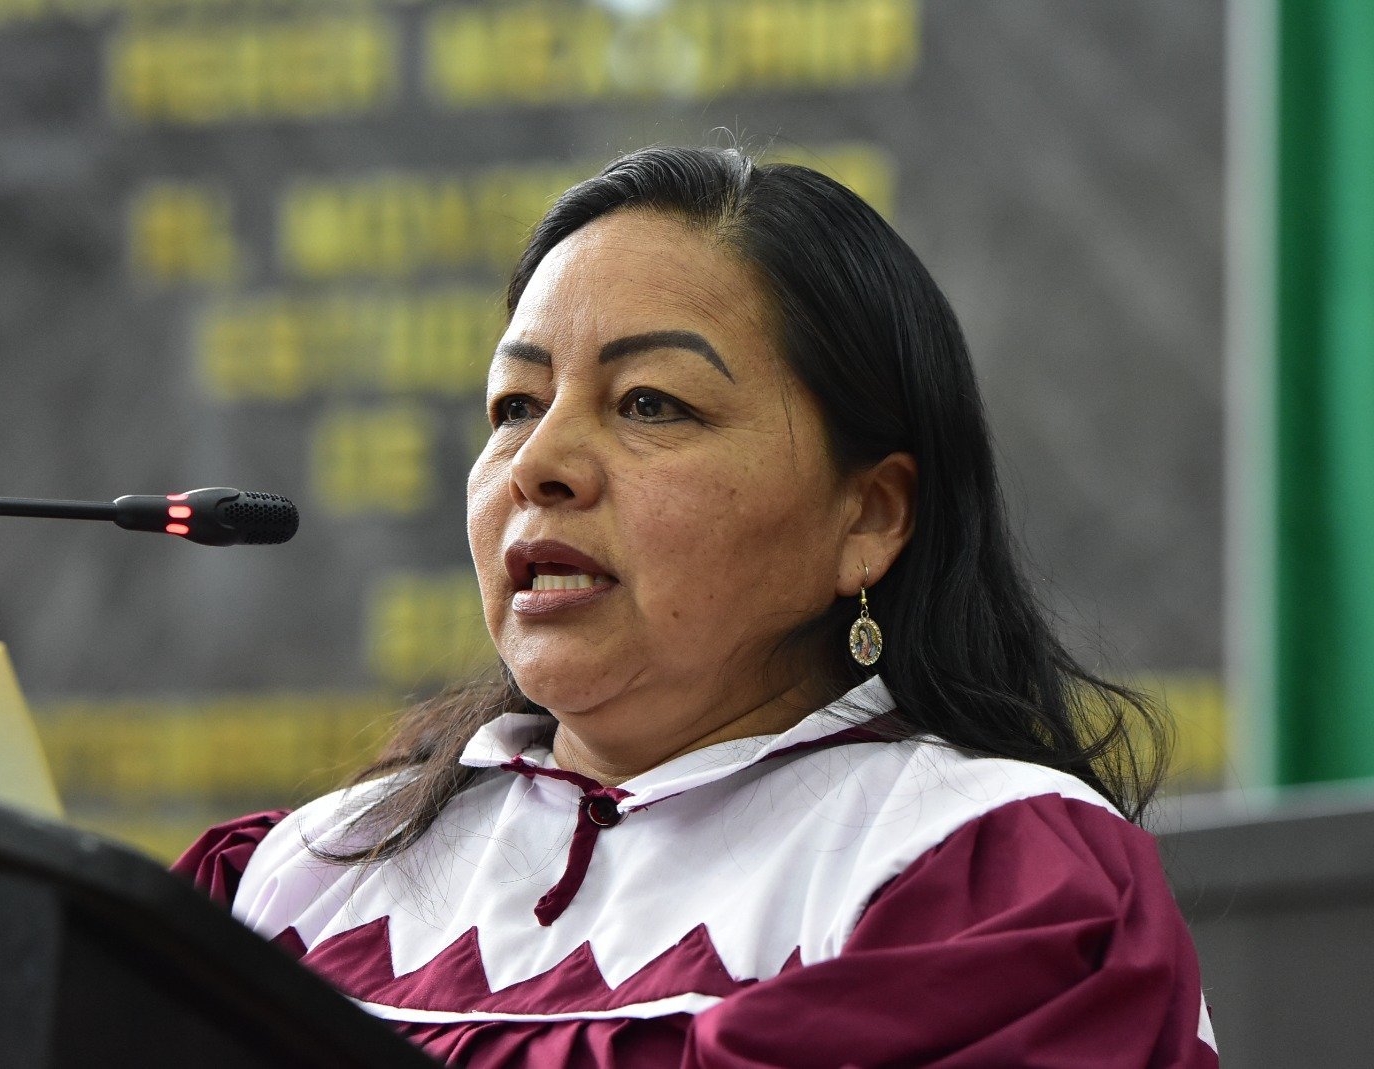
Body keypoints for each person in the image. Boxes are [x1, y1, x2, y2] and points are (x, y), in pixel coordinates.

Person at [176, 146, 1218, 1067]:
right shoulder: (300, 877)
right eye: (515, 405)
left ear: (867, 516)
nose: (538, 464)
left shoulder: (982, 876)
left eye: (650, 403)